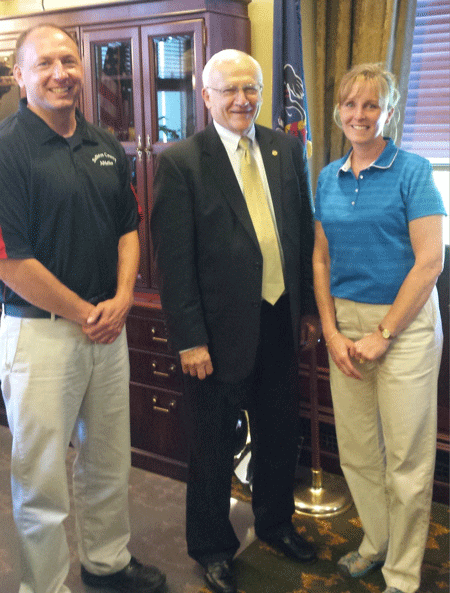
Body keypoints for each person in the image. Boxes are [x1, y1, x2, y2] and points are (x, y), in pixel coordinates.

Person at [0, 24, 166, 593]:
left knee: (108, 460)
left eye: (68, 60)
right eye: (43, 63)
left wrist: (121, 300)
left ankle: (107, 562)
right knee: (40, 479)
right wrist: (84, 312)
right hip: (41, 335)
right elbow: (10, 261)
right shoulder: (6, 150)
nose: (60, 72)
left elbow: (128, 229)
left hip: (107, 330)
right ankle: (42, 586)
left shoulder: (104, 144)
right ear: (19, 76)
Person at [151, 49, 320, 593]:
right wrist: (190, 340)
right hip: (215, 337)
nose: (242, 100)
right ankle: (212, 547)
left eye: (252, 89)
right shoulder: (182, 161)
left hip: (278, 320)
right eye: (229, 90)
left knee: (277, 434)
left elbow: (300, 232)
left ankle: (274, 524)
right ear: (206, 97)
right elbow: (173, 263)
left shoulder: (283, 147)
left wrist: (309, 310)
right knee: (213, 446)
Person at [313, 63, 446, 593]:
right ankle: (377, 541)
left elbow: (430, 262)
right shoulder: (326, 176)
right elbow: (321, 261)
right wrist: (331, 329)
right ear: (339, 111)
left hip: (404, 327)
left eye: (371, 105)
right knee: (359, 451)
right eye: (350, 104)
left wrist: (383, 333)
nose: (359, 114)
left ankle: (404, 573)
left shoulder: (413, 171)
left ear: (389, 111)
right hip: (346, 326)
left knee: (407, 459)